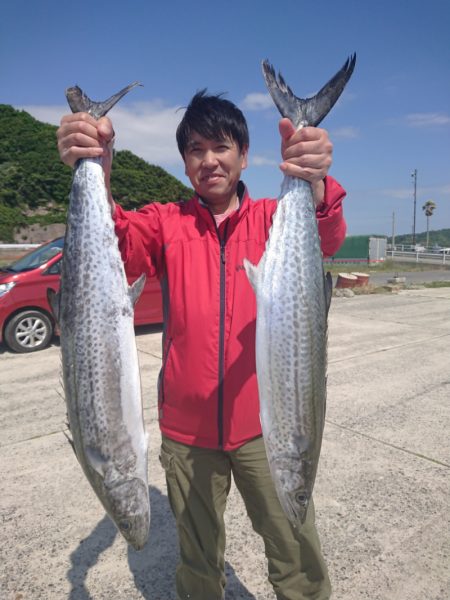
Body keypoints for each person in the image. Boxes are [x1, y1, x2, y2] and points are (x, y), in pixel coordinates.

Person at [57, 90, 346, 600]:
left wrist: (316, 181)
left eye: (221, 146)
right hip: (187, 437)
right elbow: (118, 246)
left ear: (245, 153)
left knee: (295, 550)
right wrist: (95, 166)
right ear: (185, 160)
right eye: (195, 149)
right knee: (197, 561)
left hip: (266, 426)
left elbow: (326, 235)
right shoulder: (167, 221)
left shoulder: (272, 220)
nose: (209, 160)